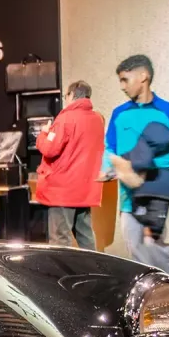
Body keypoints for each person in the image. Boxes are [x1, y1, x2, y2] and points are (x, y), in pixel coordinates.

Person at [104, 55, 169, 274]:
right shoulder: (119, 113)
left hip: (156, 195)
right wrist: (108, 169)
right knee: (136, 255)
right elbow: (109, 148)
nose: (122, 86)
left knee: (157, 252)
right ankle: (151, 294)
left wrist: (150, 164)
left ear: (143, 76)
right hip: (127, 198)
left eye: (125, 80)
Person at [36, 80, 106, 249]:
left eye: (65, 96)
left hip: (63, 190)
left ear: (72, 95)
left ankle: (61, 268)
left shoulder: (65, 118)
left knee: (60, 240)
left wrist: (43, 134)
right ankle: (95, 265)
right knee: (86, 237)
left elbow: (49, 149)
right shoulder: (97, 119)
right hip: (86, 188)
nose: (65, 99)